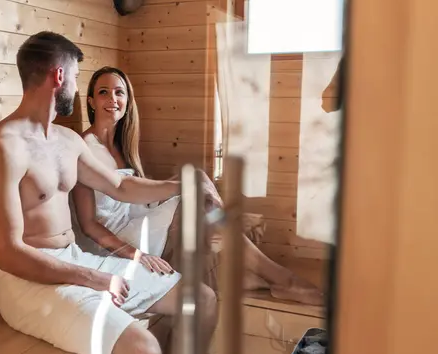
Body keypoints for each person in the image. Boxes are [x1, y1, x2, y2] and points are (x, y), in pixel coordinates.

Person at [0, 31, 217, 354]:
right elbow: (9, 254)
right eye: (75, 76)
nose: (75, 85)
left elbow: (121, 187)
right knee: (144, 351)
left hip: (74, 259)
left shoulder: (67, 140)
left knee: (202, 300)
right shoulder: (1, 147)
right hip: (26, 284)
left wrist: (182, 183)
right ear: (59, 75)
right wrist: (95, 279)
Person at [71, 66, 324, 306]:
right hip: (116, 243)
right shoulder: (84, 147)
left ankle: (262, 278)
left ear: (127, 101)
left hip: (138, 223)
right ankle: (282, 278)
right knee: (197, 204)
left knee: (198, 180)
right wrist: (136, 255)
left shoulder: (122, 146)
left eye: (119, 92)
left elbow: (137, 197)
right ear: (91, 101)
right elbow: (89, 225)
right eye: (103, 92)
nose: (112, 98)